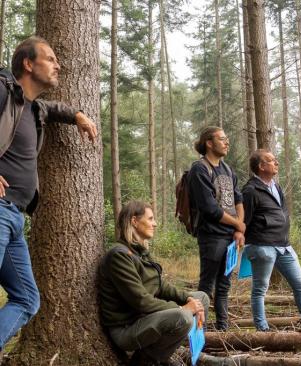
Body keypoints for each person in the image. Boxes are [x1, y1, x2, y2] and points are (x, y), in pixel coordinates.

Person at [0, 36, 97, 351]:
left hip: (14, 218)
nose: (59, 65)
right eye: (50, 59)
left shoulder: (34, 108)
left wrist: (78, 115)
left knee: (28, 299)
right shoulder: (2, 92)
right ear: (28, 64)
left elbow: (53, 108)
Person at [99, 201, 209, 366]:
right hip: (126, 328)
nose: (155, 224)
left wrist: (189, 299)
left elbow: (160, 286)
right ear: (134, 221)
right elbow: (141, 300)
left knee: (202, 298)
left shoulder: (139, 252)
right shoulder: (119, 256)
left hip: (145, 319)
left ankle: (171, 353)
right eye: (150, 219)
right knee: (183, 317)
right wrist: (182, 308)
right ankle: (146, 360)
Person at [241, 149, 301, 333]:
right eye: (271, 160)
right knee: (260, 289)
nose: (276, 163)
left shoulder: (276, 186)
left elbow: (282, 212)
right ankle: (262, 329)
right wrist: (248, 243)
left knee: (300, 284)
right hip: (262, 246)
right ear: (261, 166)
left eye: (276, 160)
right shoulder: (250, 190)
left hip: (284, 246)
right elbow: (244, 220)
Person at [188, 126, 245, 331]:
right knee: (206, 286)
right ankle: (198, 332)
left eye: (226, 138)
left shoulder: (228, 169)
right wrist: (238, 224)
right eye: (222, 139)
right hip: (211, 237)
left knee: (224, 285)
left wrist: (239, 229)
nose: (226, 142)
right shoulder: (199, 169)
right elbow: (210, 209)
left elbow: (238, 200)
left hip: (230, 238)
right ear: (209, 143)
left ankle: (223, 330)